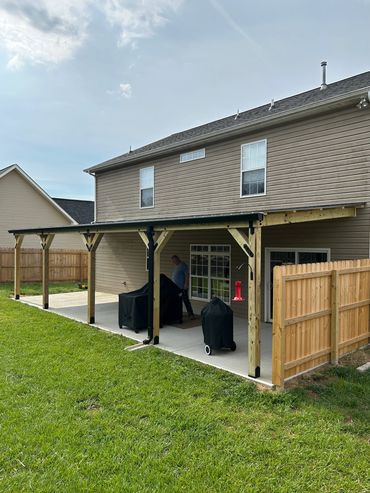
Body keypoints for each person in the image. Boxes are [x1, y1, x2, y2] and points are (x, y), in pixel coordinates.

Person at [171, 255, 196, 319]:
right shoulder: (177, 266)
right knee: (178, 301)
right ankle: (178, 314)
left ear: (178, 259)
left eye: (175, 260)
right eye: (173, 261)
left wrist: (186, 284)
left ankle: (191, 315)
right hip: (176, 288)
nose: (174, 262)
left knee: (186, 301)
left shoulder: (183, 265)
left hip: (182, 287)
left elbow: (187, 275)